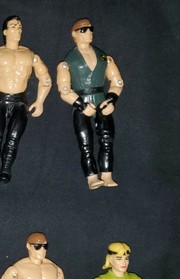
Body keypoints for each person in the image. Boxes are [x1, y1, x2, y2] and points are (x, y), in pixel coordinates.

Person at [0, 15, 52, 183]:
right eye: (13, 26)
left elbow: (45, 79)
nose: (18, 29)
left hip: (20, 102)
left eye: (19, 26)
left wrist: (40, 101)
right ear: (5, 31)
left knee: (14, 137)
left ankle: (6, 169)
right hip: (0, 99)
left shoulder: (30, 55)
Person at [57, 18, 124, 190]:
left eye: (90, 29)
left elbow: (117, 82)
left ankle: (107, 174)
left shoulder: (104, 58)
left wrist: (111, 99)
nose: (89, 32)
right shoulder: (68, 62)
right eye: (83, 30)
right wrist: (80, 104)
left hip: (102, 102)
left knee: (107, 140)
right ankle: (92, 176)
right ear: (74, 34)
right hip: (82, 103)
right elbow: (64, 90)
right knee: (86, 144)